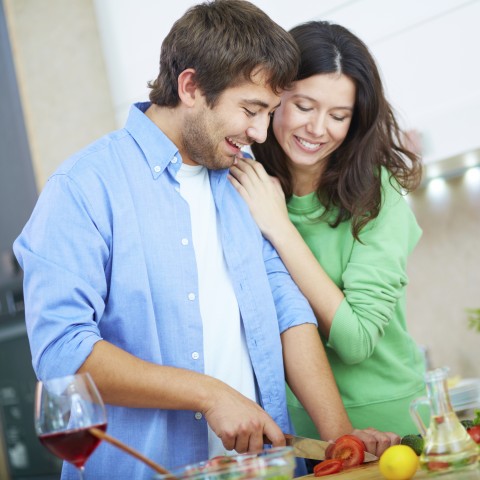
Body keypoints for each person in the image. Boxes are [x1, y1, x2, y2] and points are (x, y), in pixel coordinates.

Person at [13, 4, 396, 480]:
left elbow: (286, 310)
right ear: (190, 86)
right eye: (251, 109)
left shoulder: (243, 179)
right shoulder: (83, 188)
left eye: (270, 112)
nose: (260, 132)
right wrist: (208, 393)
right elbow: (62, 352)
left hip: (266, 469)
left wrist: (339, 434)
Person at [229, 20, 426, 439]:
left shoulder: (379, 195)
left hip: (389, 426)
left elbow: (355, 341)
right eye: (304, 107)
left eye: (339, 116)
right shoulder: (245, 185)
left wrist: (280, 227)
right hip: (292, 434)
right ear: (274, 96)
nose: (318, 130)